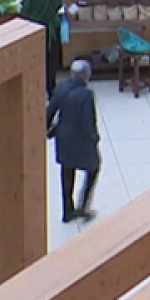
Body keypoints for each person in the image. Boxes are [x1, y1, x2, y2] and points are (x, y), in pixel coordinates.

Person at [46, 59, 100, 223]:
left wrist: (48, 129)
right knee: (93, 169)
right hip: (81, 141)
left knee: (67, 173)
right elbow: (88, 121)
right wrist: (94, 138)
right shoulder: (86, 95)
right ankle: (83, 207)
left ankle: (67, 211)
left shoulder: (61, 88)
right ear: (85, 76)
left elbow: (50, 112)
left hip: (63, 138)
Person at [19, 0, 64, 95]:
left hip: (36, 31)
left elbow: (25, 13)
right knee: (51, 61)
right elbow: (58, 7)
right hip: (53, 32)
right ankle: (51, 89)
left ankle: (36, 89)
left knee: (36, 60)